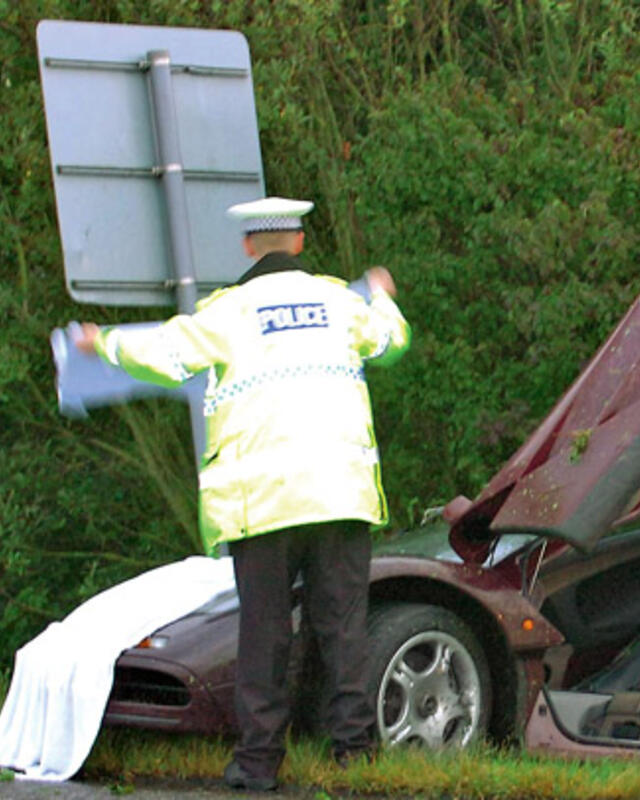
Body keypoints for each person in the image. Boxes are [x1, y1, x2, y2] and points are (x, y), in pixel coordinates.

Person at [74, 196, 410, 792]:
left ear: (248, 246)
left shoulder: (227, 313)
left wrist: (103, 343)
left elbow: (167, 355)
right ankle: (355, 755)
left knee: (264, 635)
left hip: (265, 505)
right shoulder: (340, 302)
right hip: (339, 497)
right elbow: (392, 341)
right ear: (300, 243)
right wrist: (380, 290)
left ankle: (258, 763)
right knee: (344, 629)